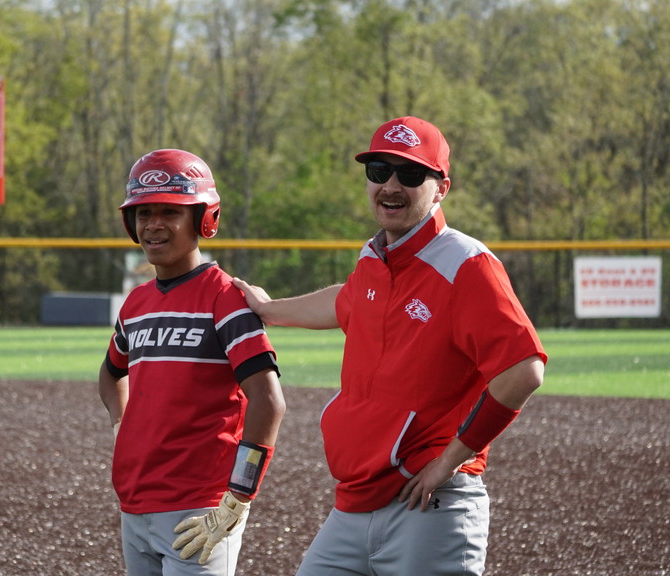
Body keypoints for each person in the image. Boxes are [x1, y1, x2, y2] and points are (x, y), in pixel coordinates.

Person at [233, 116, 546, 575]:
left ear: (441, 188)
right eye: (379, 171)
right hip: (355, 504)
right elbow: (345, 302)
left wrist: (450, 460)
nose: (391, 186)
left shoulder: (466, 263)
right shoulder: (375, 256)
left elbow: (524, 369)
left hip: (429, 506)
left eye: (411, 174)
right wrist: (269, 309)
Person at [98, 148, 286, 576]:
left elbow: (269, 402)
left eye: (170, 212)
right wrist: (121, 428)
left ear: (204, 220)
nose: (153, 225)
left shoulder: (226, 299)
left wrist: (238, 496)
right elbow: (111, 376)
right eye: (143, 213)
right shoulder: (137, 302)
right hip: (135, 501)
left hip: (200, 508)